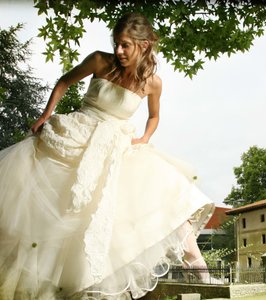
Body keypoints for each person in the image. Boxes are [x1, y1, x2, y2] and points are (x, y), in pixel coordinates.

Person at [0, 13, 215, 299]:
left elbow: (154, 116)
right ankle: (53, 280)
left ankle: (197, 267)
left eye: (125, 45)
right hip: (79, 131)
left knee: (162, 190)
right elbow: (65, 81)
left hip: (117, 142)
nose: (119, 51)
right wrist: (45, 115)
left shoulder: (153, 82)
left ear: (143, 45)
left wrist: (145, 138)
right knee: (59, 203)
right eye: (116, 44)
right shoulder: (100, 61)